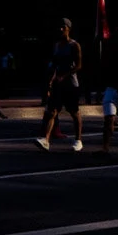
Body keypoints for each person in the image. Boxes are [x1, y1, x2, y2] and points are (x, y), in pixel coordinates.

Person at [36, 18, 84, 152]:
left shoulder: (74, 45)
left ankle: (78, 140)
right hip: (58, 84)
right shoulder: (57, 46)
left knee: (74, 112)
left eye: (63, 27)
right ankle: (46, 140)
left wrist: (65, 75)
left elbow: (79, 65)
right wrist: (51, 81)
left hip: (71, 84)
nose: (61, 29)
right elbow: (55, 65)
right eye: (59, 27)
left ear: (69, 28)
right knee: (52, 111)